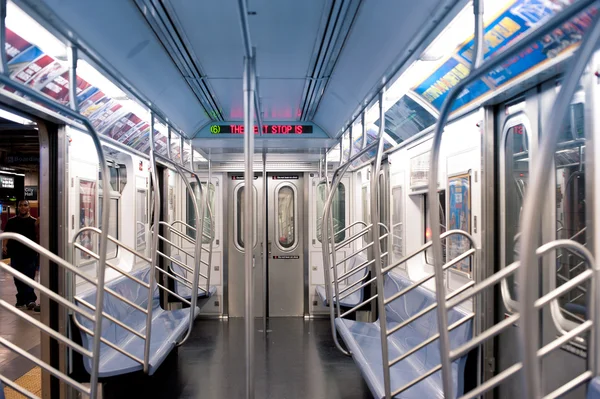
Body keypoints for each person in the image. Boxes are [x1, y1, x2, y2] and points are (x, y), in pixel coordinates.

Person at [2, 200, 39, 312]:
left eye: (25, 205)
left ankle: (30, 300)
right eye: (20, 205)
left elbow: (38, 236)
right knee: (17, 278)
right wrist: (4, 246)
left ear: (29, 208)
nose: (23, 207)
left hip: (30, 254)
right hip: (16, 254)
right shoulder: (11, 221)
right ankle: (21, 299)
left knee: (29, 277)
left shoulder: (34, 222)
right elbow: (6, 235)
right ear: (18, 208)